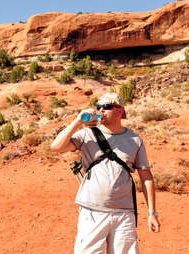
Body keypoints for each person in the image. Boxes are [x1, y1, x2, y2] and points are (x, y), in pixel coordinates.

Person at [51, 93, 160, 254]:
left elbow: (146, 177)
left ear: (120, 111)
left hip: (124, 213)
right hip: (92, 210)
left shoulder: (135, 140)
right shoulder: (87, 134)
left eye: (107, 107)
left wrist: (152, 213)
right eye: (98, 107)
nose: (101, 110)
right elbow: (56, 147)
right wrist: (78, 121)